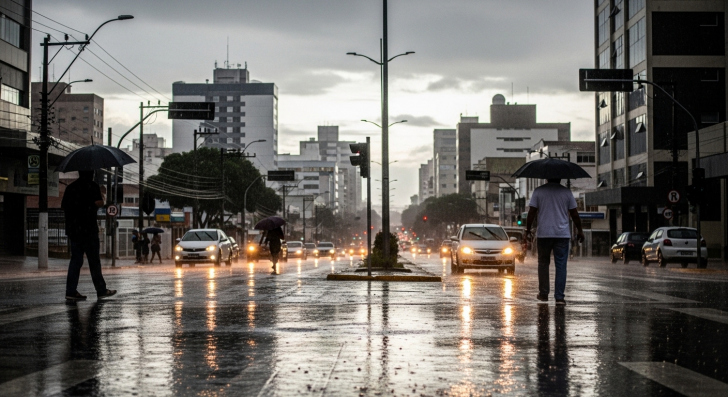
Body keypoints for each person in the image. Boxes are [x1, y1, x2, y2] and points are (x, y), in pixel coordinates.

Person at [525, 178, 584, 305]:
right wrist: (580, 231)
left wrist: (527, 229)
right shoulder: (567, 192)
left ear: (546, 177)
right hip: (562, 234)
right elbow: (574, 214)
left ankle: (544, 294)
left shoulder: (538, 191)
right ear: (561, 178)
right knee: (561, 266)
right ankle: (559, 297)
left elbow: (531, 212)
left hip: (544, 234)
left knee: (543, 264)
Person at [61, 169, 116, 301]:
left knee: (76, 260)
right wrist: (100, 200)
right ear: (91, 174)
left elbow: (64, 206)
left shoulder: (71, 188)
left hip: (74, 230)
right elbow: (99, 203)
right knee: (94, 261)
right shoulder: (92, 186)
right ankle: (101, 290)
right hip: (89, 230)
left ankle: (71, 291)